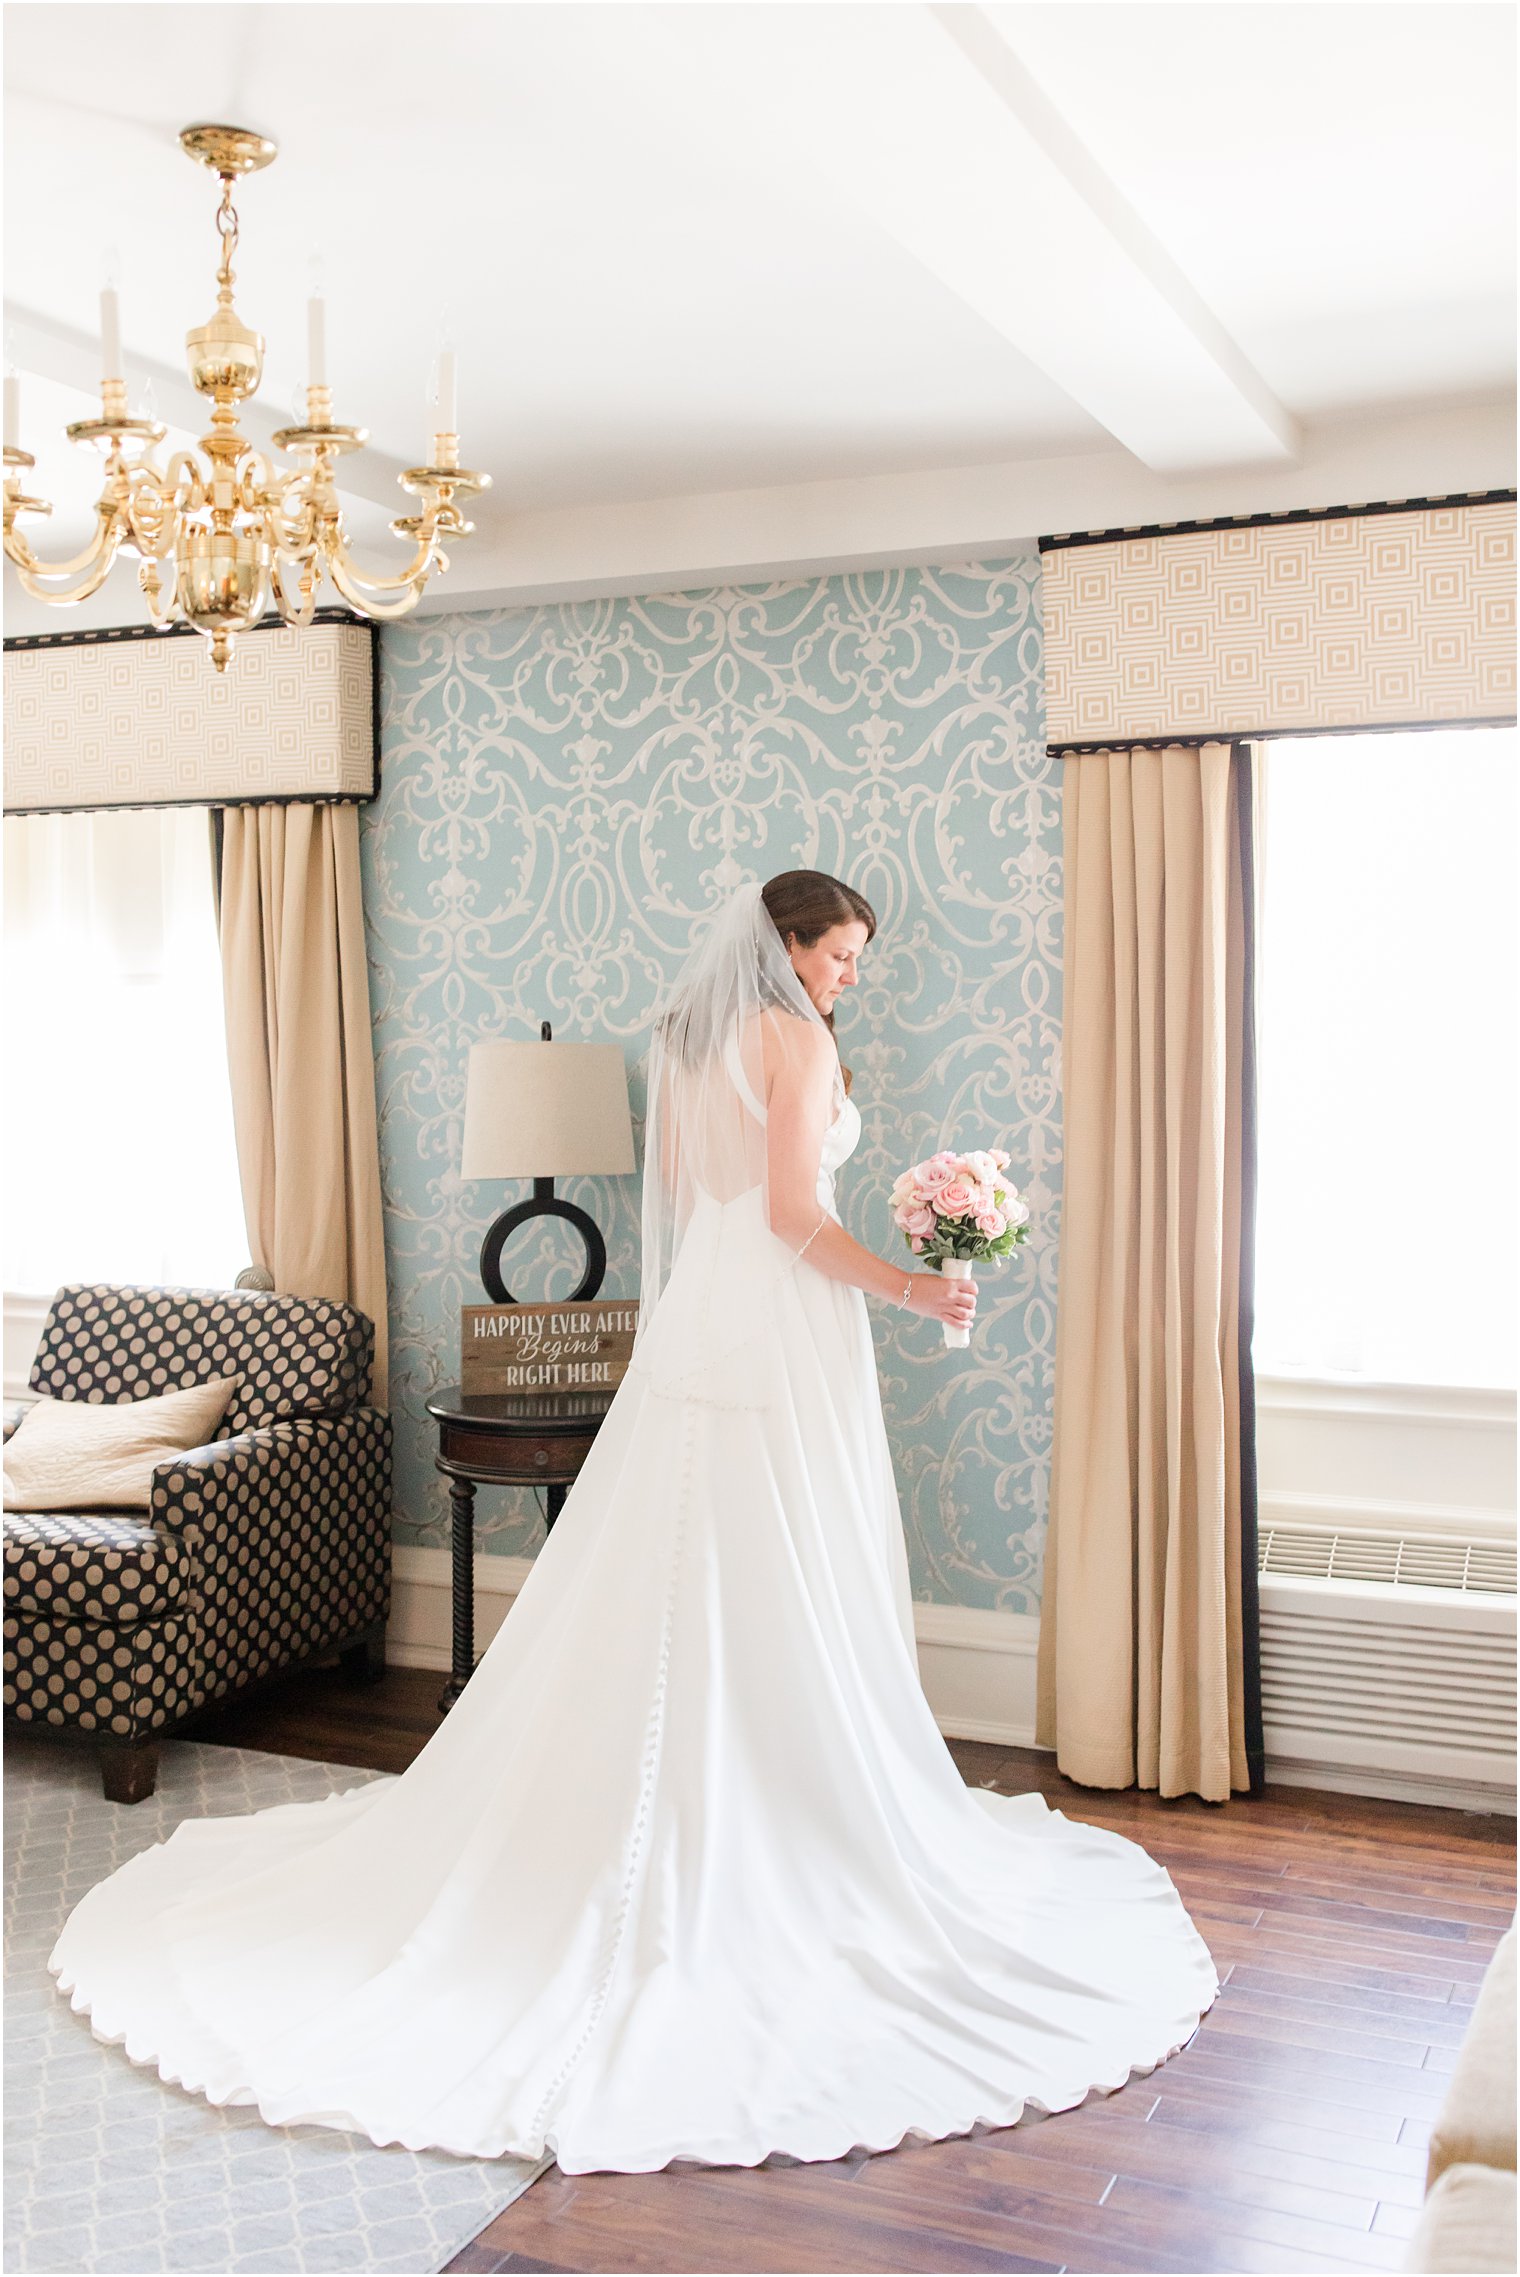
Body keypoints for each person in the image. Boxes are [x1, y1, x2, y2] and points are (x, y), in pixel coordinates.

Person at [48, 870, 1217, 2170]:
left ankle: (691, 1796)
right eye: (837, 954)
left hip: (699, 1329)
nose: (846, 978)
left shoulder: (685, 1042)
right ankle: (765, 1807)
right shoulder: (796, 1039)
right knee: (777, 1562)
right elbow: (789, 1215)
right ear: (785, 949)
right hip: (775, 1327)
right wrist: (910, 1283)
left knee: (693, 1565)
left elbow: (713, 1206)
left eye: (851, 963)